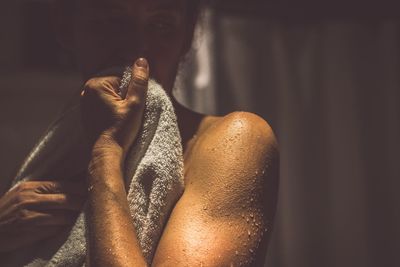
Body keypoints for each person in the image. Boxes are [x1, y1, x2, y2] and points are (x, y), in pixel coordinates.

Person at [0, 0, 279, 266]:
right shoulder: (50, 159)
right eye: (110, 21)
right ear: (64, 26)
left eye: (161, 24)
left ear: (188, 33)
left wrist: (106, 149)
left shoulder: (234, 141)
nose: (137, 49)